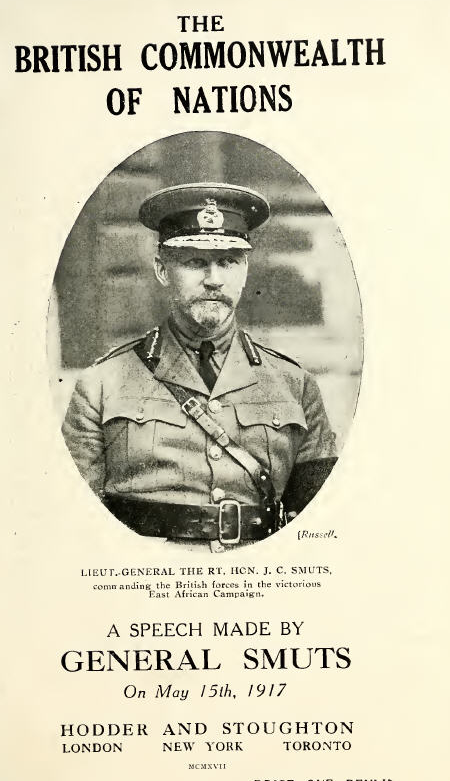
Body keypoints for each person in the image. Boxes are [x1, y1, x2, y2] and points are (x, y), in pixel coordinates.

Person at [62, 182, 337, 551]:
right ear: (162, 270)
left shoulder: (295, 385)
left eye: (228, 262)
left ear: (245, 270)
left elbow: (322, 526)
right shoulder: (101, 385)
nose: (214, 280)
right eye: (195, 262)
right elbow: (75, 528)